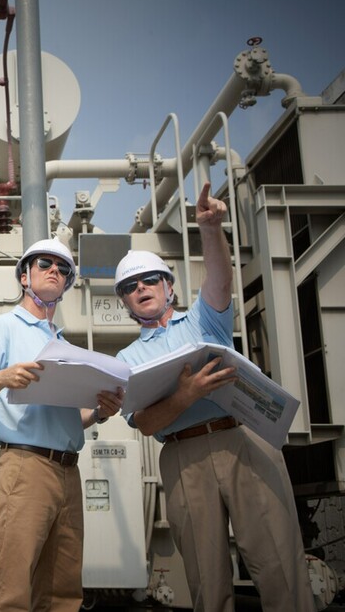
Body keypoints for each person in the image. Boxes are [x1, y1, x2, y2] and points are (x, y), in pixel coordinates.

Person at [115, 182, 314, 612]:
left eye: (151, 279)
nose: (143, 287)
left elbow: (220, 280)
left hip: (244, 440)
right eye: (132, 286)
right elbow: (146, 424)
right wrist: (186, 394)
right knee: (206, 579)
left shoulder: (204, 320)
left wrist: (210, 228)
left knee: (281, 567)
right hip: (183, 456)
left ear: (169, 287)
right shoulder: (126, 359)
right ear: (126, 303)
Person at [0, 237, 123, 612]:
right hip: (25, 467)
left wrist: (99, 411)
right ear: (24, 277)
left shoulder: (61, 343)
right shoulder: (2, 328)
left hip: (68, 472)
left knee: (62, 590)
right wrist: (2, 377)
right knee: (12, 587)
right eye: (45, 264)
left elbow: (66, 422)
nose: (55, 270)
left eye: (63, 268)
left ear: (67, 285)